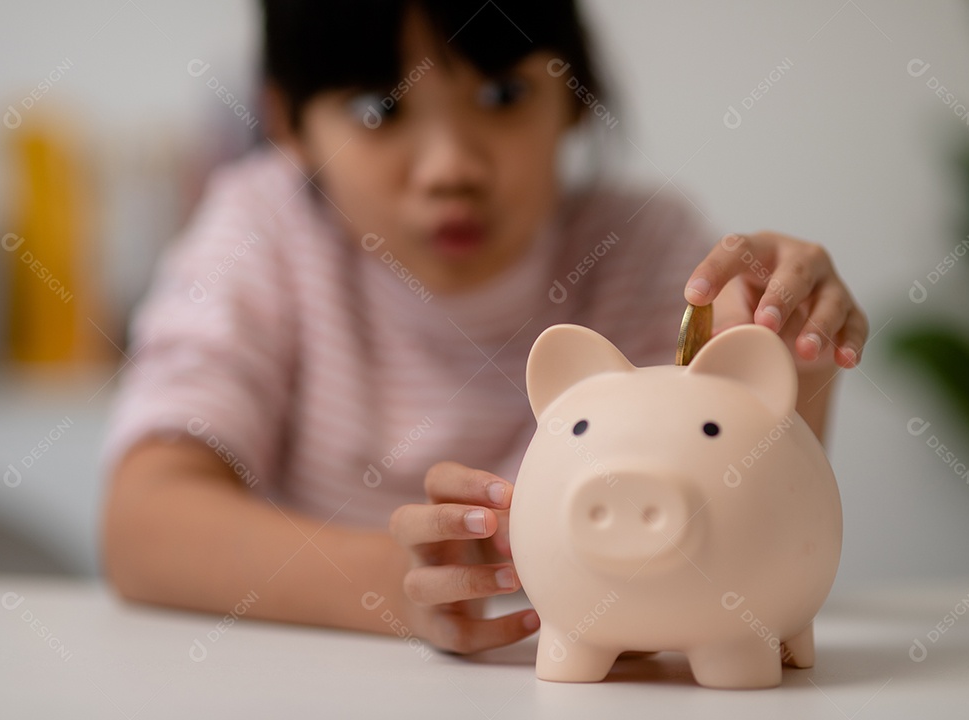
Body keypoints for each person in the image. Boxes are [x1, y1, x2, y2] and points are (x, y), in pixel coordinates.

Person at [101, 0, 867, 656]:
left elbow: (744, 547)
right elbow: (142, 526)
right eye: (380, 110)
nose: (450, 168)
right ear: (286, 124)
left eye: (502, 95)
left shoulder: (642, 247)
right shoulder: (260, 232)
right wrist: (389, 589)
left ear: (573, 93)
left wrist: (793, 368)